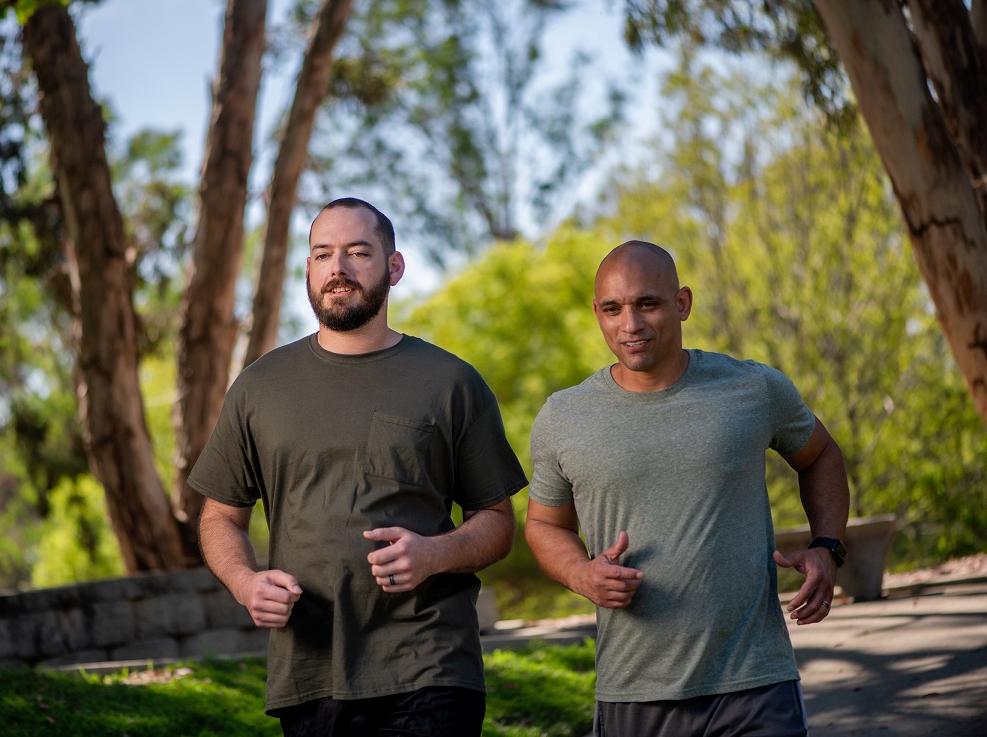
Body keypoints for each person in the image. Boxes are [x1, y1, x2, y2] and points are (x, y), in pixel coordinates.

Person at [189, 197, 527, 737]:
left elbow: (498, 522)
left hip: (429, 666)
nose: (338, 269)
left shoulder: (450, 383)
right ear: (308, 269)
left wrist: (436, 553)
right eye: (322, 255)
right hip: (309, 673)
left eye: (357, 252)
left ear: (393, 267)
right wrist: (244, 582)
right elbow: (218, 517)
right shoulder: (259, 387)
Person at [525, 240, 849, 737]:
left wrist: (826, 546)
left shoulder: (752, 388)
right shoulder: (563, 416)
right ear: (597, 313)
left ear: (682, 303)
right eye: (612, 309)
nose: (629, 325)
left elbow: (821, 455)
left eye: (647, 304)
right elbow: (545, 525)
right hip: (633, 690)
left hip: (754, 683)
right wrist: (580, 574)